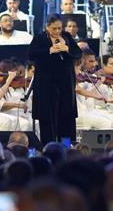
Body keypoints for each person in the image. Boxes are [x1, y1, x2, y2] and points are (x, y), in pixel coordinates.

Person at [29, 16, 83, 144]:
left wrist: (67, 49)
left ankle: (66, 146)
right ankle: (49, 146)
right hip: (46, 84)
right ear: (47, 27)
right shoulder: (39, 38)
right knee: (48, 117)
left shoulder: (67, 37)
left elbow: (78, 53)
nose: (57, 31)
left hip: (65, 83)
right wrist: (49, 50)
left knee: (66, 116)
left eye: (59, 28)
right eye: (54, 28)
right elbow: (31, 55)